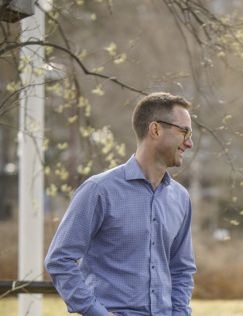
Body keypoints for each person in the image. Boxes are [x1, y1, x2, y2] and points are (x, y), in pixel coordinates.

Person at [45, 92, 197, 316]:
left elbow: (182, 270)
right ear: (155, 130)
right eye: (184, 131)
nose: (190, 143)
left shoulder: (181, 198)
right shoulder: (99, 191)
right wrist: (96, 312)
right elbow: (60, 260)